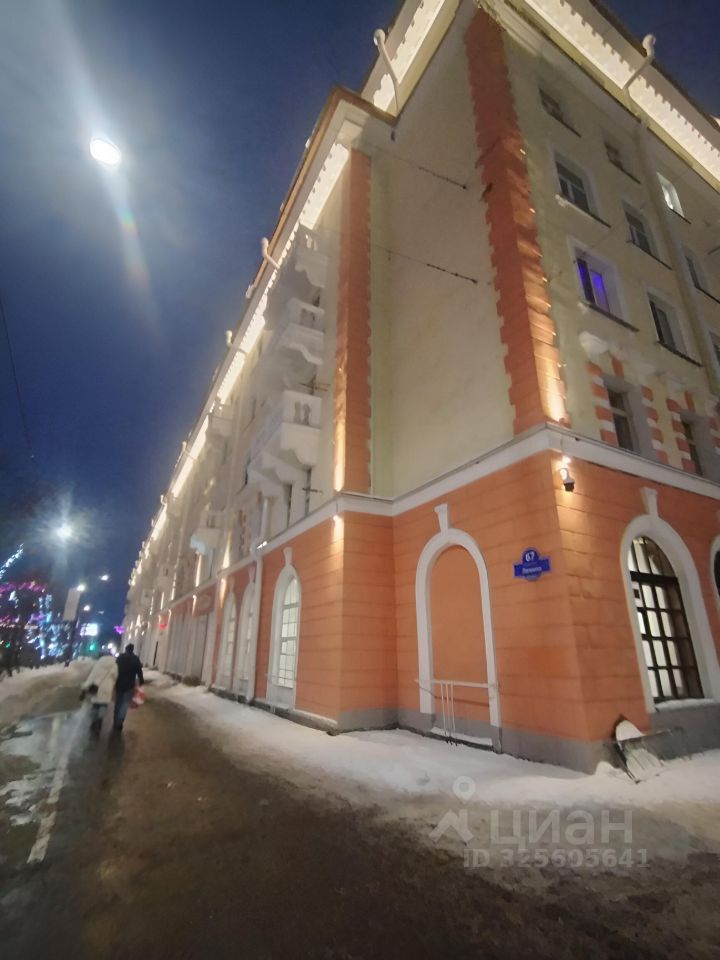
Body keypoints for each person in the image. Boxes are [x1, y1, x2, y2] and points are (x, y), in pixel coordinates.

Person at [80, 654, 118, 734]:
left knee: (95, 706)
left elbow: (92, 677)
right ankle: (99, 721)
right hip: (108, 687)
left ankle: (94, 722)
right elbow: (115, 676)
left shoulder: (98, 664)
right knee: (103, 705)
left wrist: (84, 688)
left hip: (97, 687)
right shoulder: (115, 665)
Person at [113, 643, 144, 731]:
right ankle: (120, 721)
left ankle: (115, 720)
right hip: (130, 685)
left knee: (118, 702)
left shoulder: (120, 657)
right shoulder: (135, 658)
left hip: (119, 683)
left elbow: (114, 668)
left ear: (126, 649)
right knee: (125, 703)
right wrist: (141, 681)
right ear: (132, 650)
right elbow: (139, 671)